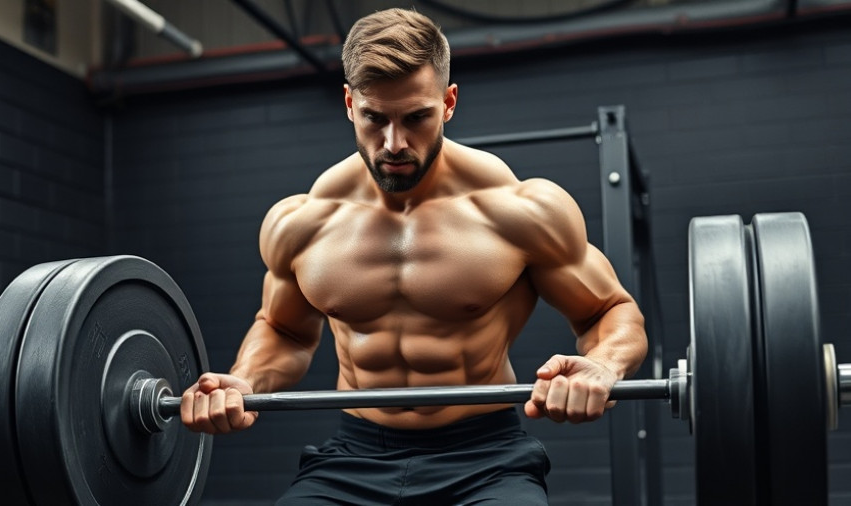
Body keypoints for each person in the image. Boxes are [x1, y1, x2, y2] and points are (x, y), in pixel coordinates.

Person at [181, 7, 647, 504]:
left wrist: (603, 366)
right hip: (354, 456)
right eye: (375, 118)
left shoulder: (520, 210)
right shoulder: (302, 222)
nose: (394, 143)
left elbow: (610, 310)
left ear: (448, 103)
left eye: (416, 117)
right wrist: (245, 379)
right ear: (349, 104)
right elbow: (284, 330)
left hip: (484, 458)